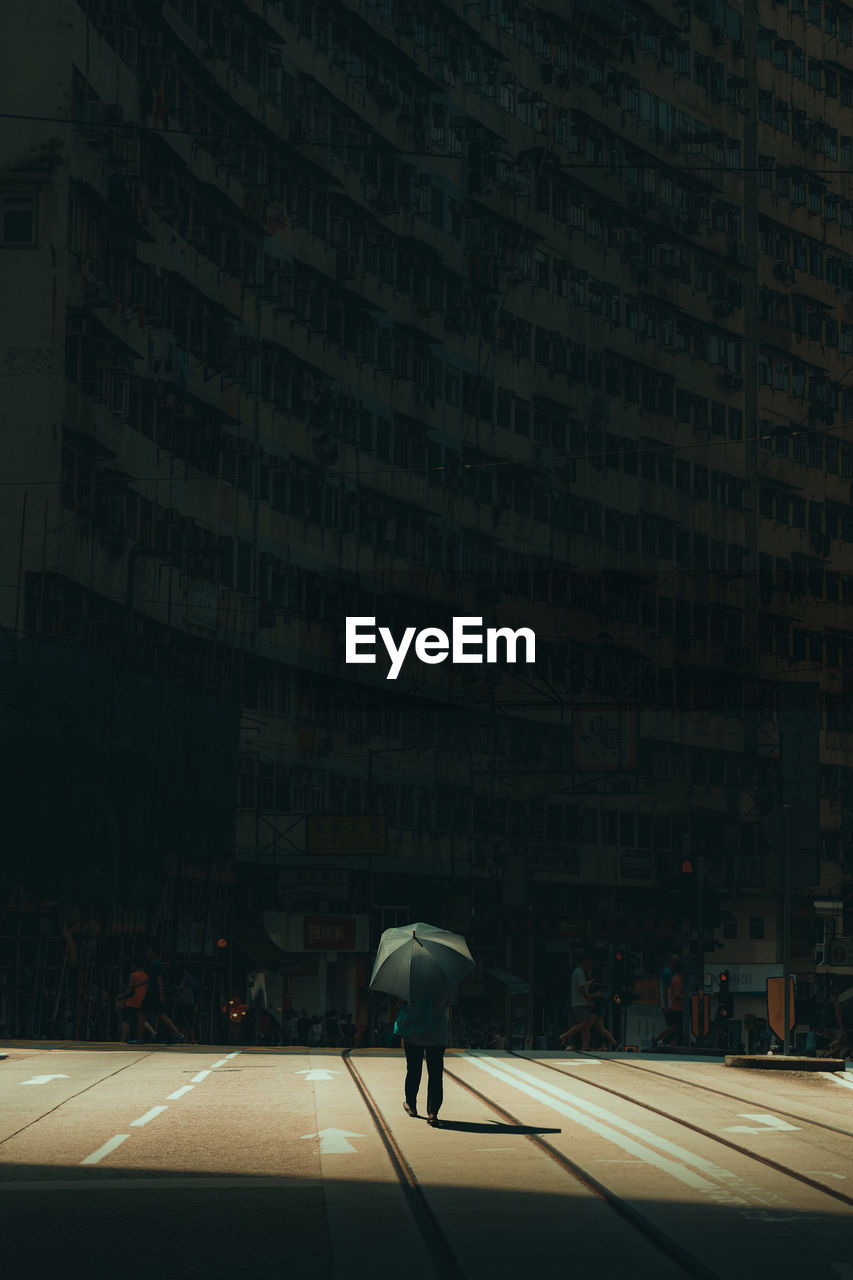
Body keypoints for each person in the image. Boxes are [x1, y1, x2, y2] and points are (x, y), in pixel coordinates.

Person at [399, 994, 450, 1127]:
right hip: (438, 1033)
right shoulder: (443, 981)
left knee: (413, 1070)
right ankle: (433, 1112)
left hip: (414, 1032)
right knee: (435, 1074)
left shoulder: (411, 984)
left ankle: (411, 1105)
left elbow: (402, 1003)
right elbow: (449, 1003)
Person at [141, 945, 184, 1044]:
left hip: (153, 993)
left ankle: (141, 1037)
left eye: (148, 950)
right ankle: (176, 1033)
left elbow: (159, 980)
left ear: (153, 951)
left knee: (142, 1013)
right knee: (160, 1015)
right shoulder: (154, 964)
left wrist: (161, 994)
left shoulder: (156, 964)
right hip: (153, 992)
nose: (147, 953)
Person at [559, 954, 596, 1051]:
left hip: (579, 1002)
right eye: (589, 961)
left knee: (586, 1025)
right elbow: (582, 989)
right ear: (584, 961)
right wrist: (588, 1000)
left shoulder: (578, 972)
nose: (590, 964)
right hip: (580, 1002)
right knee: (584, 1023)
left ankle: (585, 1046)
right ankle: (564, 1036)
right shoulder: (579, 972)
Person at [654, 956, 684, 1047]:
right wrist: (666, 1005)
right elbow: (665, 989)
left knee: (674, 1026)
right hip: (671, 1004)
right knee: (674, 1026)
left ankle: (667, 1042)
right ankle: (659, 1040)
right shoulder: (668, 974)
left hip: (671, 1003)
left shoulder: (671, 974)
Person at [120, 958, 149, 1044]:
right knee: (139, 1021)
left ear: (134, 965)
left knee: (125, 1020)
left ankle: (124, 1039)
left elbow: (130, 990)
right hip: (141, 1001)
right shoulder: (146, 976)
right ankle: (140, 1037)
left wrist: (122, 996)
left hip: (132, 1001)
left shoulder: (133, 975)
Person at [174, 966, 198, 1044]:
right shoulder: (193, 979)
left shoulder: (185, 978)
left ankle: (185, 1038)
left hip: (183, 1000)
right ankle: (192, 1038)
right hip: (190, 1001)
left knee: (183, 1020)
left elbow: (181, 987)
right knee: (189, 1019)